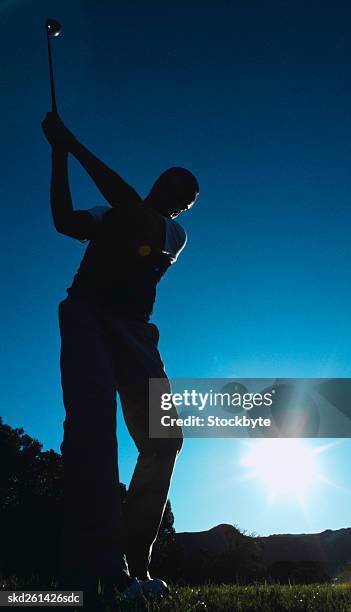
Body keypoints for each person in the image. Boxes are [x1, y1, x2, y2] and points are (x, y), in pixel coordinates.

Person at [41, 112, 199, 603]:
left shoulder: (170, 234)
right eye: (171, 185)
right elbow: (64, 220)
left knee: (164, 438)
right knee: (91, 435)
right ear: (158, 184)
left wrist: (73, 142)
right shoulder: (112, 214)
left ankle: (137, 562)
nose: (174, 195)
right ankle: (103, 570)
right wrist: (59, 155)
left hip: (135, 334)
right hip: (86, 316)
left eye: (183, 197)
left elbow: (130, 209)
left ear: (182, 210)